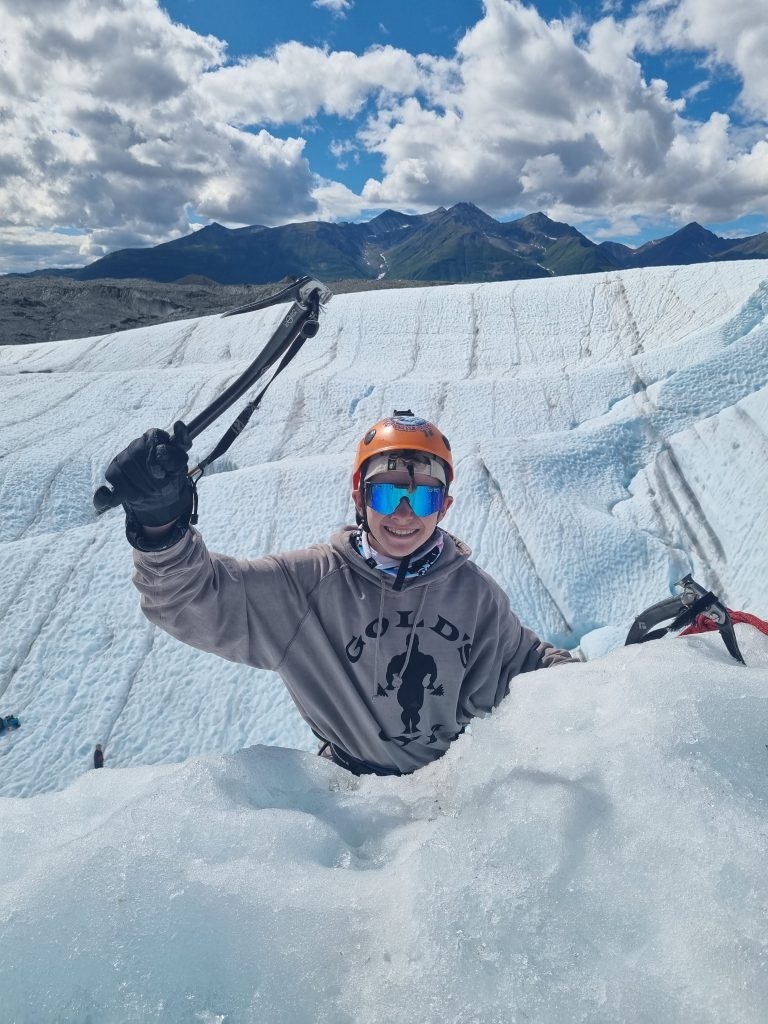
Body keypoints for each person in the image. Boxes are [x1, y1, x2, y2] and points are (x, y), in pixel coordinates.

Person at [106, 410, 574, 777]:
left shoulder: (474, 595)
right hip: (350, 801)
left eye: (425, 497)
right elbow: (196, 599)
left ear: (445, 506)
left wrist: (615, 682)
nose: (406, 515)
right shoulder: (307, 586)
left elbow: (526, 663)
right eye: (388, 495)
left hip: (452, 793)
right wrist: (160, 523)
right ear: (359, 494)